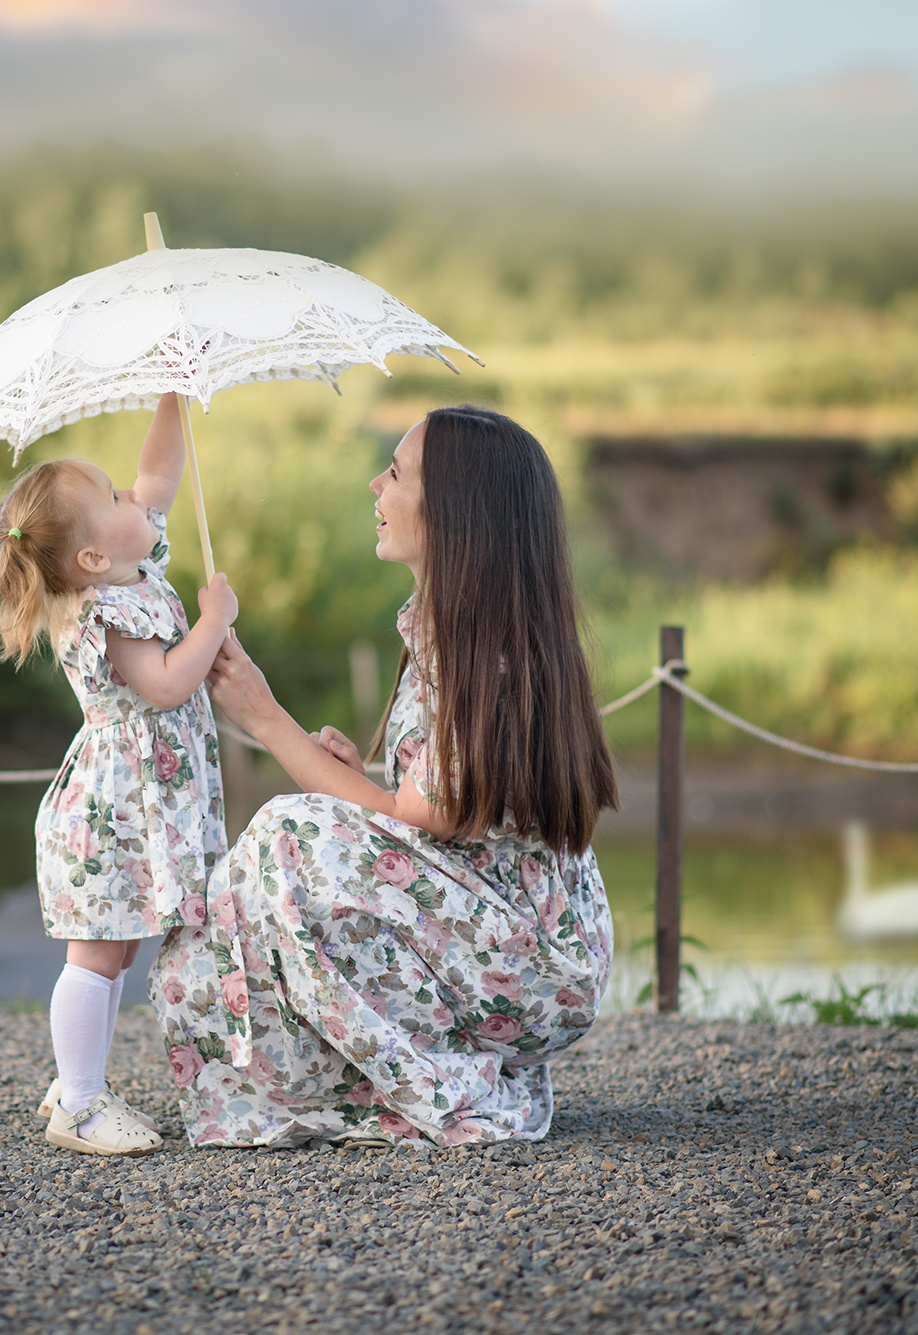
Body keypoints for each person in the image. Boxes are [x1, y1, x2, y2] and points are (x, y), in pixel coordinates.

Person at [150, 404, 618, 1147]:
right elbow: (449, 810)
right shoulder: (464, 631)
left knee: (285, 835)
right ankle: (419, 1071)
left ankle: (440, 1086)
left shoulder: (483, 659)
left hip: (531, 962)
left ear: (455, 511)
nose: (376, 483)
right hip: (509, 937)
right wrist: (359, 774)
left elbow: (419, 819)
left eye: (396, 472)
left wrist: (266, 716)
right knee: (252, 882)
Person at [0, 393, 237, 1156]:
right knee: (96, 950)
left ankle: (75, 1079)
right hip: (111, 809)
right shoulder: (102, 610)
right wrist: (214, 621)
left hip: (140, 802)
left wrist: (173, 394)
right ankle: (81, 1104)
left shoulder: (134, 563)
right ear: (91, 558)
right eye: (117, 497)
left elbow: (158, 473)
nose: (137, 496)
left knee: (120, 945)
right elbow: (163, 683)